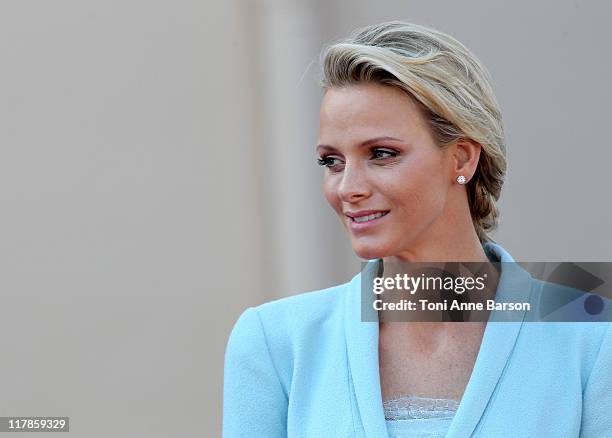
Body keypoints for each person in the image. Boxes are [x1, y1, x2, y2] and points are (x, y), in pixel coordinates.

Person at [222, 21, 611, 437]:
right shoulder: (278, 341)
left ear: (462, 159)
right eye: (331, 161)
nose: (348, 188)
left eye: (382, 154)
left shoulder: (590, 330)